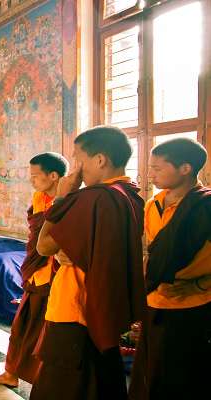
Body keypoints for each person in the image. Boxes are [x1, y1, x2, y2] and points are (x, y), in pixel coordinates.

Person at [32, 126, 146, 400]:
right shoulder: (131, 196)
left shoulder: (93, 197)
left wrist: (61, 197)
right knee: (102, 379)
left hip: (77, 305)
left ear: (100, 160)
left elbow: (44, 245)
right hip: (106, 307)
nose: (75, 168)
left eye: (77, 158)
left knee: (64, 384)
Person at [129, 138, 211, 400]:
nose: (150, 174)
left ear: (185, 168)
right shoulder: (153, 204)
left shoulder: (205, 205)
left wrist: (199, 285)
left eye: (157, 169)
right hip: (156, 300)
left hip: (195, 304)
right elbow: (153, 254)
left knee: (182, 377)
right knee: (150, 374)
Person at [0, 152, 67, 387]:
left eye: (35, 176)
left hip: (57, 276)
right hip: (37, 273)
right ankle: (11, 373)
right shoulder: (40, 198)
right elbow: (37, 235)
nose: (32, 181)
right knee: (20, 327)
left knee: (47, 332)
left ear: (53, 175)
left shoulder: (69, 201)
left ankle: (45, 380)